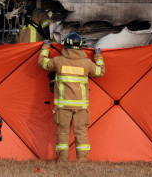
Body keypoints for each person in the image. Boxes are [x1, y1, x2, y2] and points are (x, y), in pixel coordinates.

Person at [38, 32, 104, 162]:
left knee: (63, 134)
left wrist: (46, 47)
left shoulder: (58, 61)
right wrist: (98, 55)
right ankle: (82, 161)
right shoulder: (86, 63)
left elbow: (42, 63)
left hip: (63, 106)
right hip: (81, 107)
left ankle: (63, 161)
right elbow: (100, 72)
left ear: (66, 46)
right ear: (80, 46)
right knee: (81, 133)